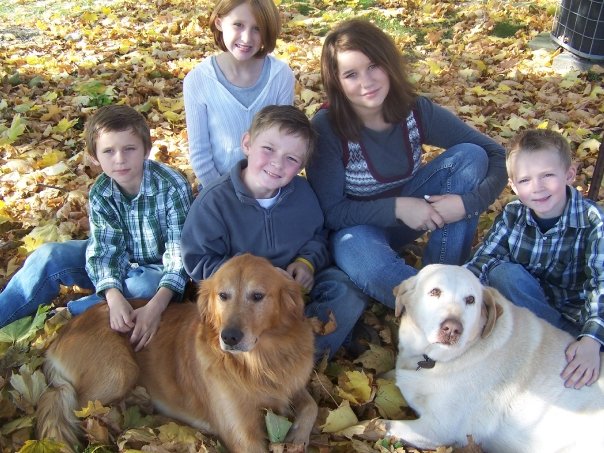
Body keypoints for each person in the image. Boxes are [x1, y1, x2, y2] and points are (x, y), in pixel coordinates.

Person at [305, 19, 507, 309]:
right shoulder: (328, 127)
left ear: (388, 63)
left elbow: (495, 154)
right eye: (351, 74)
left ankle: (446, 274)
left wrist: (468, 204)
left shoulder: (414, 110)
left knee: (471, 156)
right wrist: (398, 207)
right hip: (357, 232)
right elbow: (331, 213)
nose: (367, 82)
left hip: (414, 217)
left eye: (374, 66)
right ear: (336, 81)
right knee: (370, 265)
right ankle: (442, 308)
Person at [181, 105, 369, 360]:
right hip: (243, 301)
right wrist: (260, 279)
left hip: (293, 292)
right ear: (247, 143)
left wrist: (306, 264)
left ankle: (306, 358)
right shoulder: (214, 202)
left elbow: (318, 236)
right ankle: (265, 355)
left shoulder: (303, 194)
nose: (277, 163)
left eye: (292, 159)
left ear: (302, 165)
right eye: (268, 149)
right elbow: (199, 261)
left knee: (346, 291)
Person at [0, 105, 193, 351]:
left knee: (142, 287)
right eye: (109, 151)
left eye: (129, 149)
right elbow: (104, 251)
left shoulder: (172, 185)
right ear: (94, 157)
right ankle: (5, 314)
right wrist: (112, 295)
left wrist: (155, 306)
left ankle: (66, 315)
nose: (120, 159)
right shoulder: (102, 191)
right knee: (49, 256)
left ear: (146, 150)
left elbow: (179, 256)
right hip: (116, 262)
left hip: (156, 271)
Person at [466, 129, 604, 389]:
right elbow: (484, 259)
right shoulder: (513, 213)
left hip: (577, 320)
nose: (537, 188)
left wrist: (591, 340)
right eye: (526, 180)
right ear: (513, 185)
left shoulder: (593, 221)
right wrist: (455, 291)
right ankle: (542, 345)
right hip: (529, 314)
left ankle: (579, 348)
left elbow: (601, 282)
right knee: (502, 273)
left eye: (547, 176)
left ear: (569, 175)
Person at [183, 0, 295, 188]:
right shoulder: (198, 80)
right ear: (219, 23)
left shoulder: (280, 76)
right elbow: (200, 154)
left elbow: (284, 141)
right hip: (217, 189)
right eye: (238, 25)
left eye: (257, 29)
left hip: (270, 185)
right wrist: (224, 195)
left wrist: (265, 190)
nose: (246, 38)